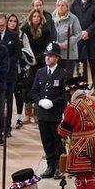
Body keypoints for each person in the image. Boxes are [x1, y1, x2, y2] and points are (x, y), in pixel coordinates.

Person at [56, 76, 95, 189]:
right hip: (94, 142)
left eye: (70, 91)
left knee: (80, 175)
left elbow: (63, 131)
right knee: (91, 174)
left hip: (79, 144)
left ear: (73, 90)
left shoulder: (72, 107)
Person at [30, 43, 68, 179]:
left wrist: (53, 102)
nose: (48, 58)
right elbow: (34, 91)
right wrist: (39, 101)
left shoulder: (63, 73)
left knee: (58, 142)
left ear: (57, 58)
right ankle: (50, 166)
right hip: (43, 115)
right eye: (47, 56)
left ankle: (59, 166)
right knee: (46, 142)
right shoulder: (40, 72)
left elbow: (65, 95)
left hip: (56, 114)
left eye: (51, 56)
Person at [53, 0, 83, 74]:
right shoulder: (52, 17)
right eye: (58, 5)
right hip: (55, 53)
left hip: (69, 54)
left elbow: (78, 34)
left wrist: (64, 44)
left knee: (67, 77)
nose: (60, 7)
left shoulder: (73, 18)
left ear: (67, 7)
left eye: (63, 5)